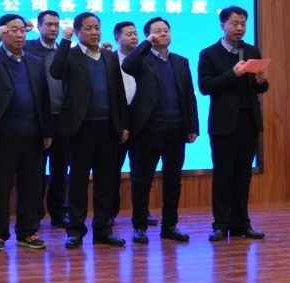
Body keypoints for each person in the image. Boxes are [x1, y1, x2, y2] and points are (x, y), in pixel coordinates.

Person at [48, 13, 131, 248]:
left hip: (108, 127)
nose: (94, 32)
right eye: (88, 28)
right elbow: (56, 72)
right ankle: (75, 230)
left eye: (97, 28)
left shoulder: (109, 56)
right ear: (77, 32)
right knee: (78, 181)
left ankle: (103, 229)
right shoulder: (70, 54)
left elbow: (119, 92)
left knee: (106, 182)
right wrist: (65, 41)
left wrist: (123, 124)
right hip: (80, 128)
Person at [0, 14, 53, 251]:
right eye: (13, 30)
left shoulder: (35, 61)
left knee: (31, 185)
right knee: (0, 185)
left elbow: (43, 97)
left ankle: (27, 232)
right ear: (2, 32)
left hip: (33, 133)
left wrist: (47, 130)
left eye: (22, 30)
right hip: (2, 133)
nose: (19, 35)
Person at [121, 17, 200, 244]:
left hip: (176, 130)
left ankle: (170, 226)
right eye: (157, 31)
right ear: (149, 35)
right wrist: (146, 43)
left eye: (166, 30)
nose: (163, 34)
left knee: (173, 181)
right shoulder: (142, 59)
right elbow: (127, 65)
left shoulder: (181, 61)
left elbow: (189, 95)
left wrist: (192, 126)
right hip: (148, 130)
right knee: (142, 180)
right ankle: (140, 226)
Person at [197, 6, 269, 242]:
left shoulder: (251, 50)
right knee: (223, 175)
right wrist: (234, 74)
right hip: (223, 124)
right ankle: (220, 224)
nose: (240, 28)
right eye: (235, 23)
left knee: (243, 175)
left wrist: (261, 81)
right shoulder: (209, 54)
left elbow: (258, 88)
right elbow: (206, 87)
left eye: (243, 24)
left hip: (249, 122)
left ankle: (241, 224)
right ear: (223, 25)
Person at [24, 10, 69, 229]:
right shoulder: (28, 47)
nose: (53, 29)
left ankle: (58, 212)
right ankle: (35, 213)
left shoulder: (65, 50)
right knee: (36, 170)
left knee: (60, 169)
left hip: (63, 118)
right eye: (49, 24)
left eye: (56, 25)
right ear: (39, 26)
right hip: (38, 118)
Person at [111, 21, 157, 227]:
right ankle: (110, 213)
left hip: (141, 122)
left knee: (141, 171)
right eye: (128, 34)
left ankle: (142, 212)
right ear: (117, 38)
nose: (134, 37)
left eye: (135, 33)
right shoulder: (109, 59)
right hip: (117, 121)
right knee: (112, 170)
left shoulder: (147, 59)